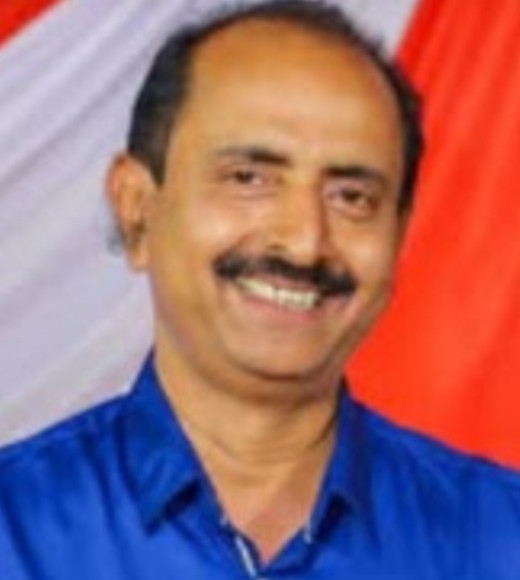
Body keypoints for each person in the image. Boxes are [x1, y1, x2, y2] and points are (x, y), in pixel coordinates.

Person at [1, 1, 519, 578]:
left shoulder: (500, 538)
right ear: (136, 208)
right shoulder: (14, 532)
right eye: (249, 179)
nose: (304, 243)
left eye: (352, 197)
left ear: (397, 236)